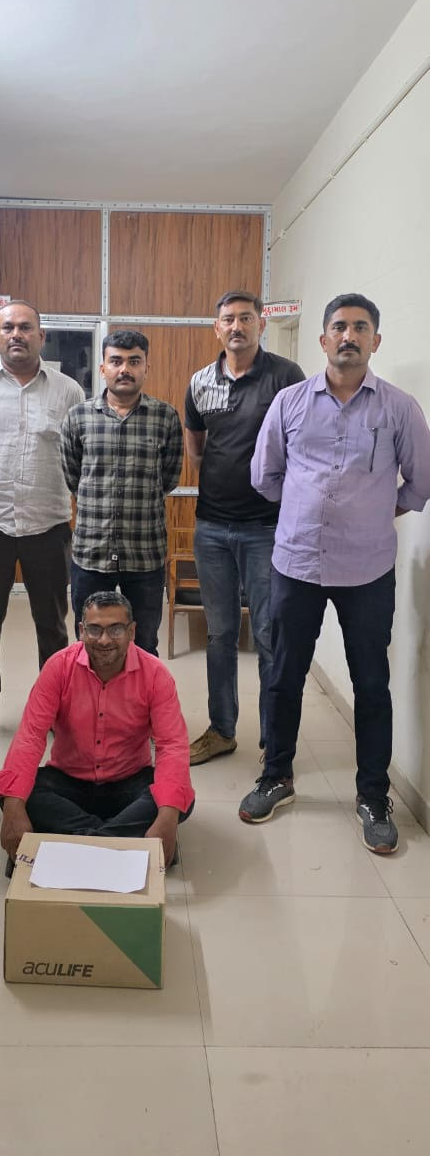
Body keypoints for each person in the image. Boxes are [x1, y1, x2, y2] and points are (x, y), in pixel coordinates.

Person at [238, 293, 430, 854]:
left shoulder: (399, 409)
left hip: (367, 568)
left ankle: (373, 796)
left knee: (371, 683)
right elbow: (265, 475)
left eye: (360, 327)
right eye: (339, 327)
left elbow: (420, 482)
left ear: (376, 340)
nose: (349, 335)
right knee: (283, 675)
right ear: (322, 340)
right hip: (296, 563)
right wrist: (305, 509)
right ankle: (276, 776)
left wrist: (373, 512)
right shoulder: (290, 403)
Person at [185, 290, 304, 765]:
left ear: (261, 324)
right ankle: (222, 730)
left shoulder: (286, 376)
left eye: (246, 318)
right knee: (219, 635)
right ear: (217, 328)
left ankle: (274, 740)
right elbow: (196, 445)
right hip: (211, 527)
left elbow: (301, 442)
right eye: (228, 319)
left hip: (266, 529)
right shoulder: (200, 381)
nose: (237, 326)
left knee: (269, 635)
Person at [0, 300, 84, 742]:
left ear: (41, 336)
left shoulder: (68, 391)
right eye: (8, 327)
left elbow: (78, 458)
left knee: (52, 622)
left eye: (25, 327)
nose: (16, 334)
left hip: (48, 524)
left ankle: (55, 707)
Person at [0, 591, 195, 869]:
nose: (104, 640)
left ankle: (76, 843)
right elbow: (30, 736)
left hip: (129, 781)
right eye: (94, 629)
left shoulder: (155, 674)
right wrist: (14, 806)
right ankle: (115, 843)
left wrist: (168, 816)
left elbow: (172, 745)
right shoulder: (58, 667)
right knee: (17, 796)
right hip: (68, 780)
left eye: (115, 629)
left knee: (175, 801)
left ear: (132, 632)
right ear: (81, 631)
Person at [60, 330, 183, 655]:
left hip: (145, 554)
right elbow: (73, 477)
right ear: (103, 368)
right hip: (91, 553)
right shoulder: (78, 417)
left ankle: (137, 692)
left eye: (134, 361)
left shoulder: (165, 417)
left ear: (146, 367)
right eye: (116, 361)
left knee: (144, 644)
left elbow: (169, 478)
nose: (124, 369)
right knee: (88, 644)